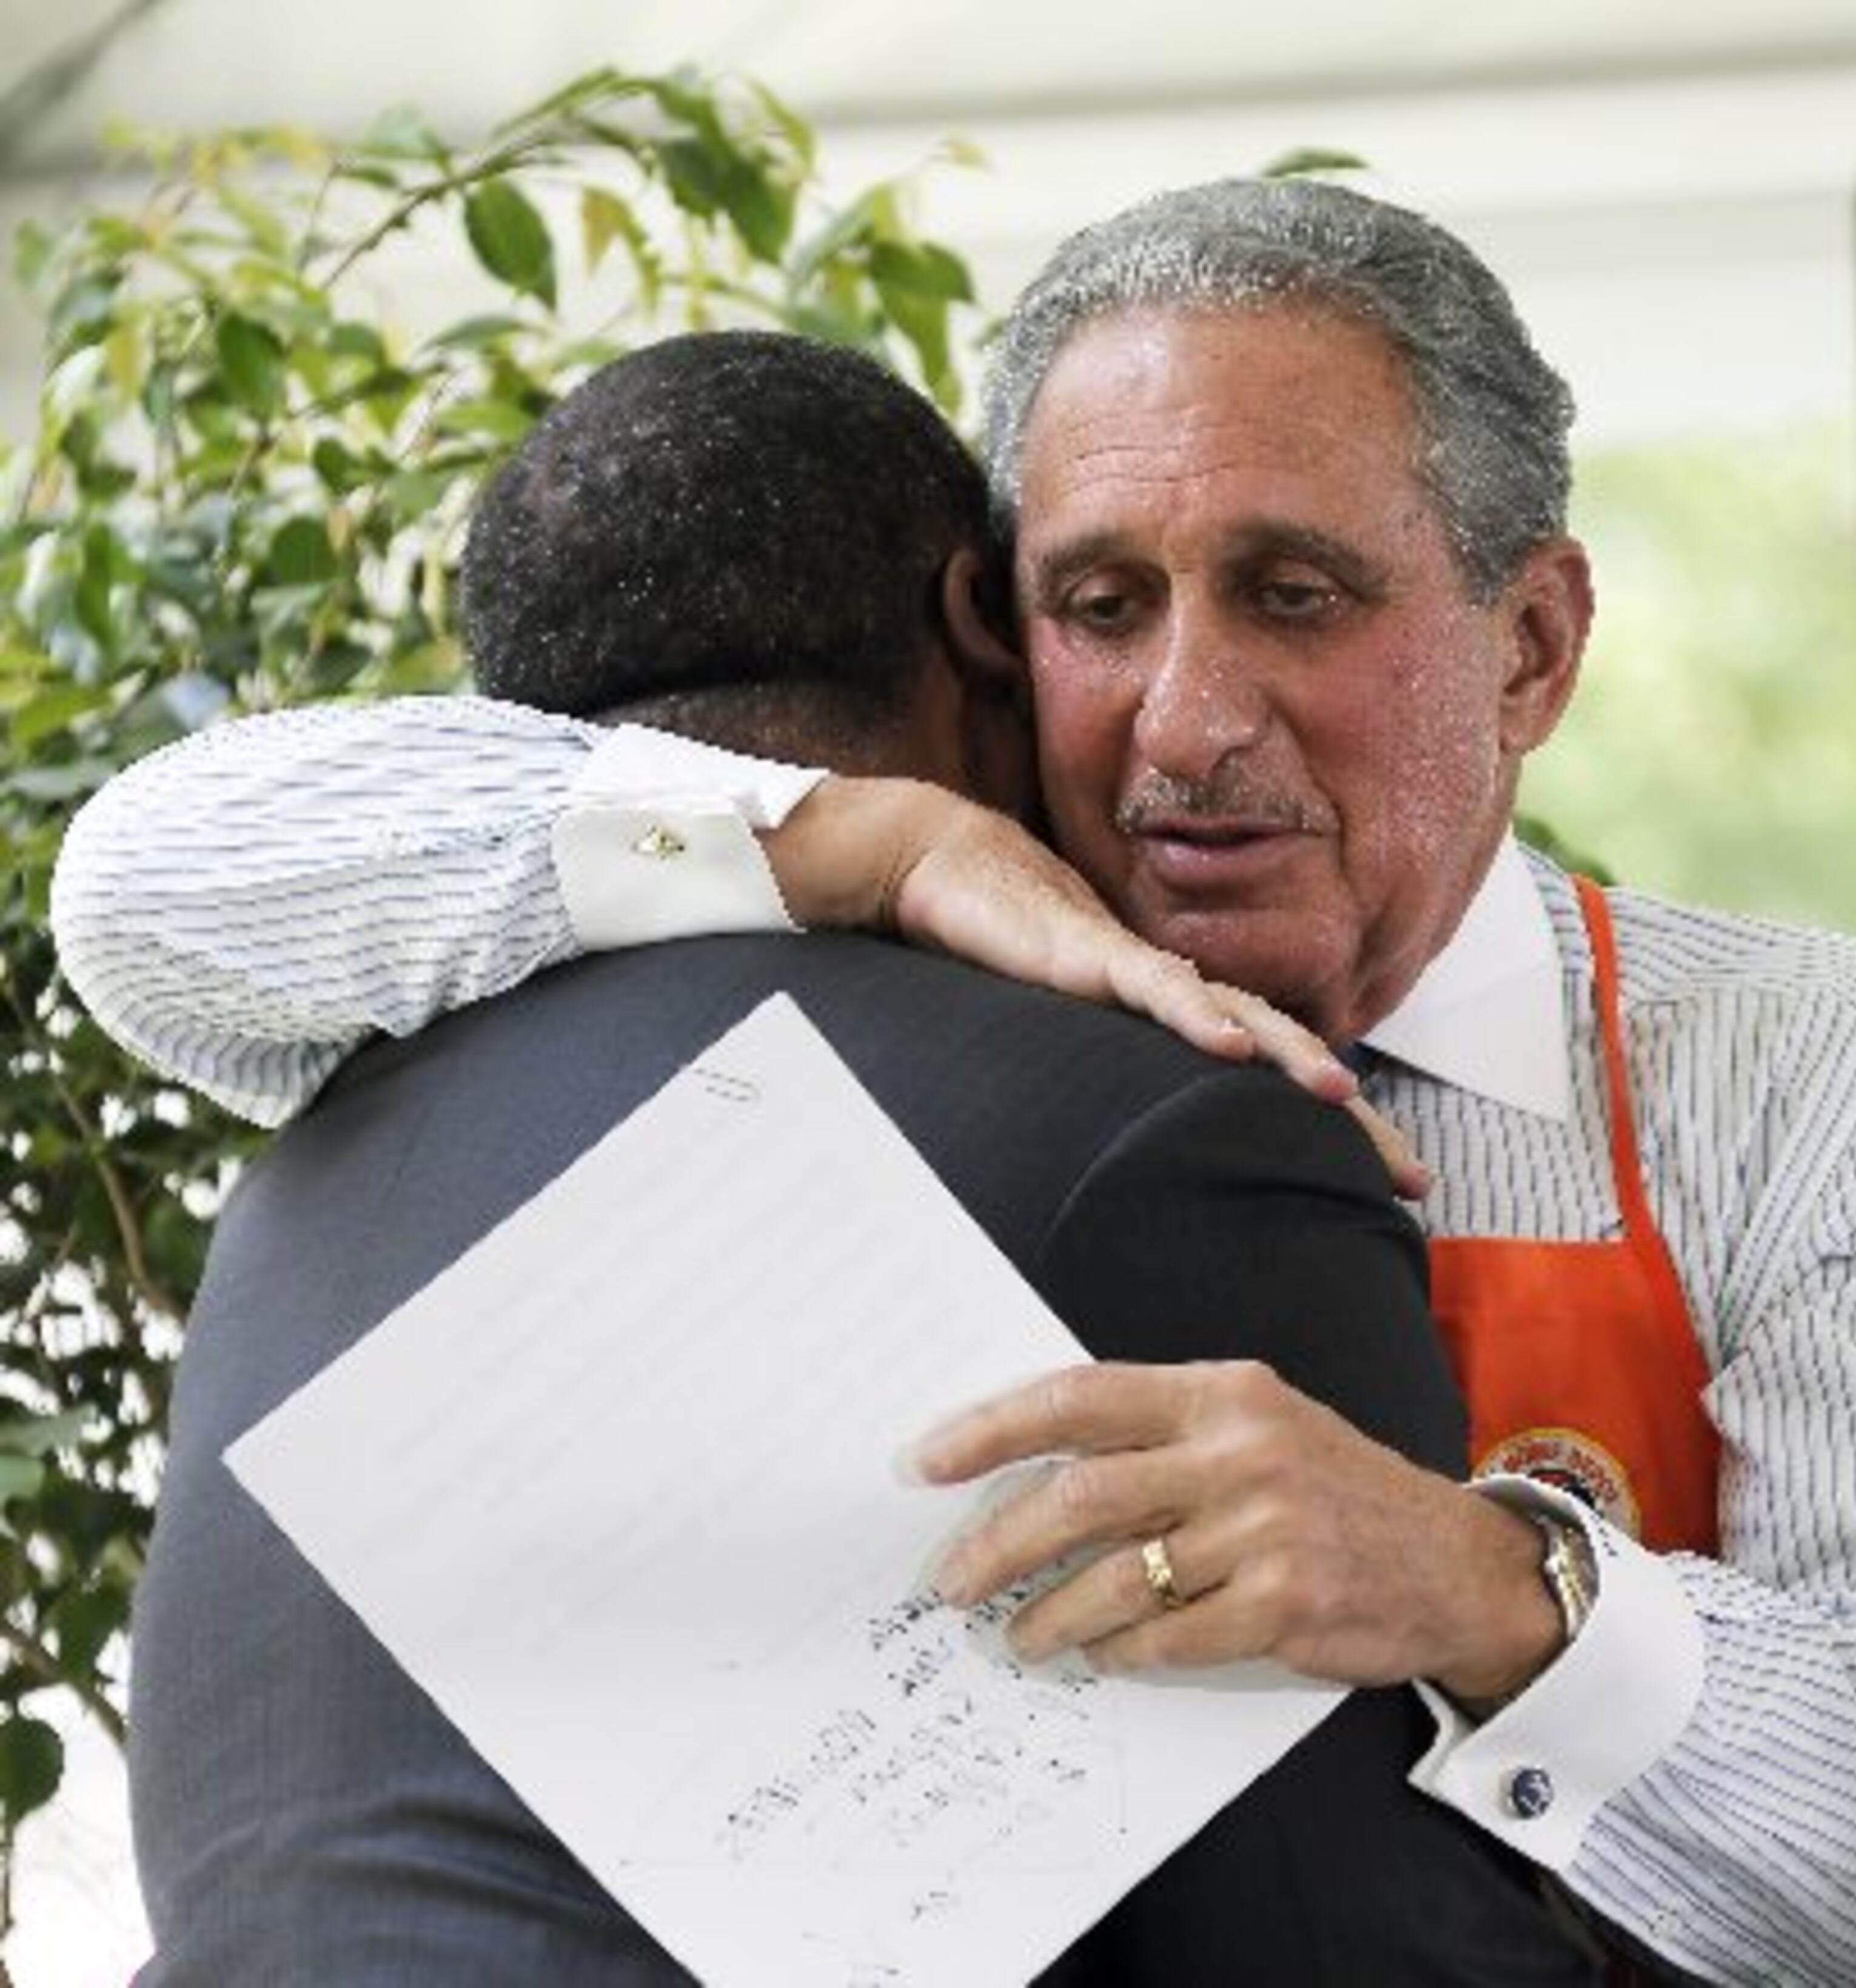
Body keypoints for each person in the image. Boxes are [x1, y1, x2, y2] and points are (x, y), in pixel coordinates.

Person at [55, 181, 1856, 1985]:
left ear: (1535, 649)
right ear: (988, 620)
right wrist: (876, 840)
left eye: (1297, 597)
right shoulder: (894, 999)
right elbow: (147, 881)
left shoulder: (1830, 1083)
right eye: (1099, 607)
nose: (1184, 725)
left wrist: (1484, 1583)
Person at [103, 329, 1566, 1984]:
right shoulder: (1158, 1134)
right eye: (1091, 613)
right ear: (979, 625)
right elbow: (1361, 1950)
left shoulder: (308, 1167)